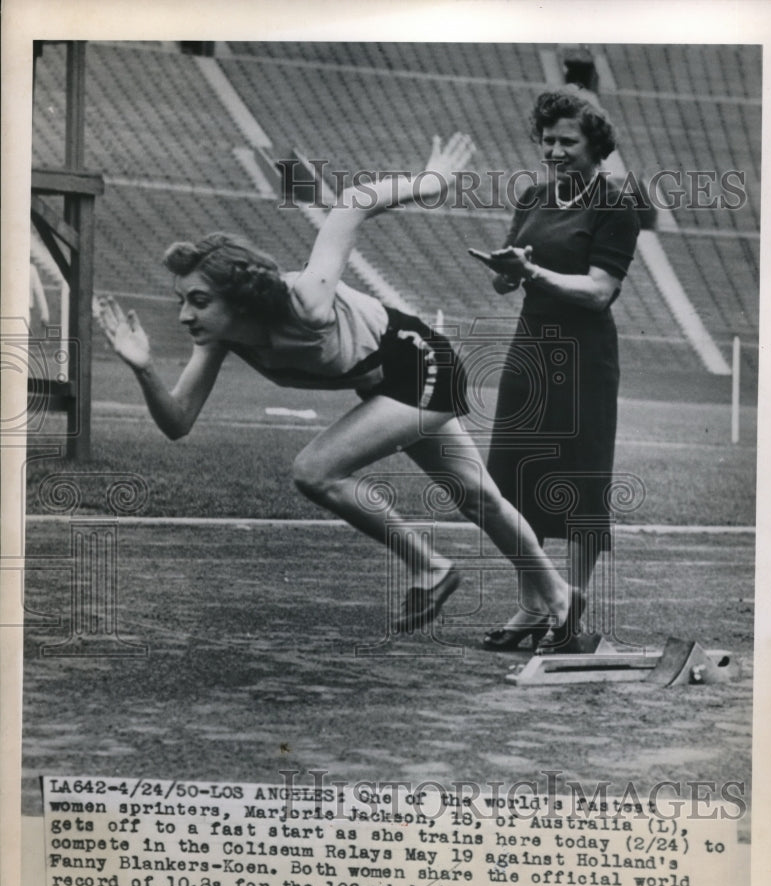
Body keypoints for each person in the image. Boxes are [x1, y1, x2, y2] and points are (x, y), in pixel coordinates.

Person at [97, 134, 578, 643]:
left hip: (425, 363)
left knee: (315, 470)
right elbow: (177, 422)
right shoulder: (219, 337)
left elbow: (351, 205)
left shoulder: (306, 299)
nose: (184, 315)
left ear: (237, 298)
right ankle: (560, 599)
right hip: (389, 385)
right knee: (480, 498)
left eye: (197, 300)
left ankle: (431, 568)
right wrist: (144, 368)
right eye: (182, 301)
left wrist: (430, 182)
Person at [472, 89, 640, 651]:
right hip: (531, 352)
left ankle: (573, 610)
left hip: (585, 358)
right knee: (517, 482)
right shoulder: (533, 195)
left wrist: (533, 274)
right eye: (547, 139)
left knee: (582, 486)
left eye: (568, 140)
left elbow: (597, 291)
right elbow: (510, 275)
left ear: (595, 146)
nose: (554, 149)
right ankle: (534, 606)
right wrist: (506, 271)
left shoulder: (616, 206)